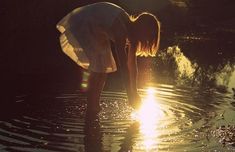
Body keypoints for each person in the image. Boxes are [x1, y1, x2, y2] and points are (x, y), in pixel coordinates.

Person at [56, 2, 160, 113]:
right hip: (84, 23)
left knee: (103, 68)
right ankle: (92, 106)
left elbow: (132, 65)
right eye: (147, 37)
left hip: (97, 30)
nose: (146, 41)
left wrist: (135, 92)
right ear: (141, 30)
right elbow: (124, 66)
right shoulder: (121, 30)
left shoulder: (131, 31)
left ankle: (94, 106)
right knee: (98, 68)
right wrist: (130, 95)